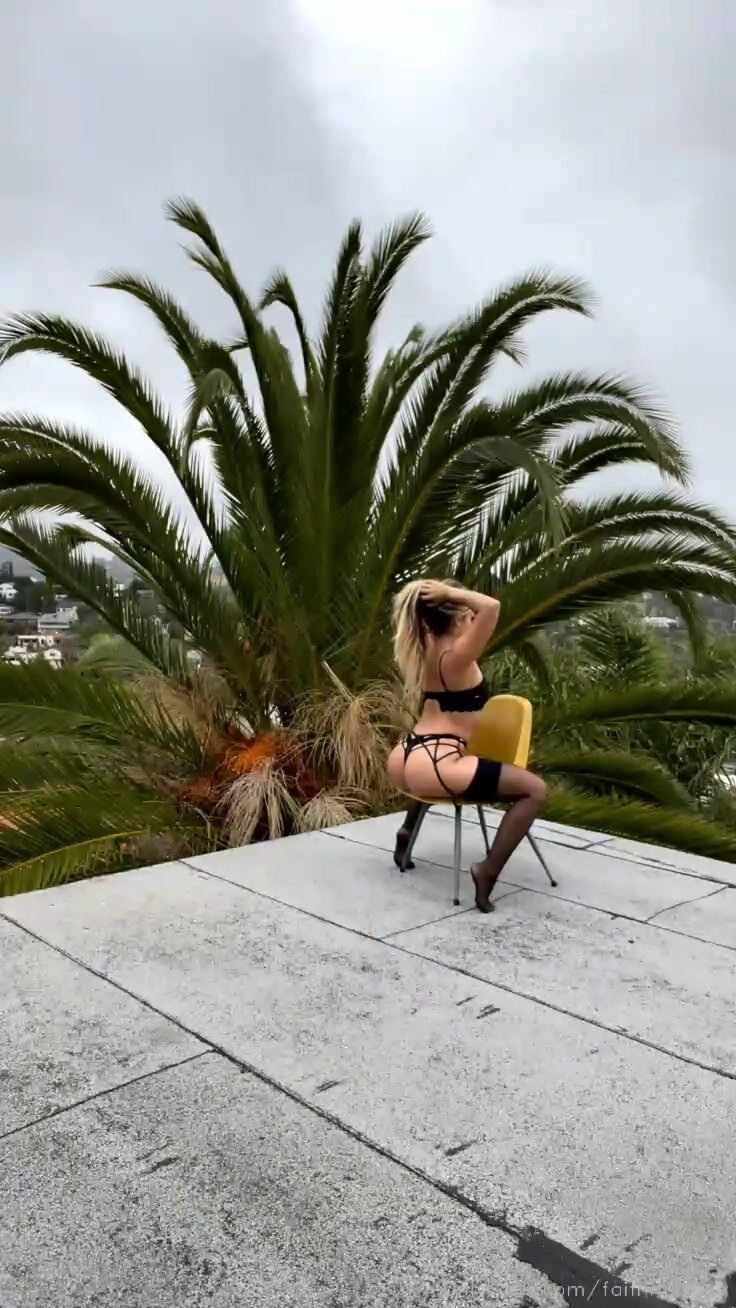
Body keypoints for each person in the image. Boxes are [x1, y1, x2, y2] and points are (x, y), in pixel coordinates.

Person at [387, 578, 546, 912]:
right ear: (459, 618)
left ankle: (407, 831)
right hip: (437, 762)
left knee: (453, 769)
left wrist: (443, 598)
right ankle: (487, 871)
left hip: (406, 756)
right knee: (535, 791)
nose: (474, 620)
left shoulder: (421, 649)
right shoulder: (455, 657)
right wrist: (451, 593)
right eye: (468, 616)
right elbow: (492, 606)